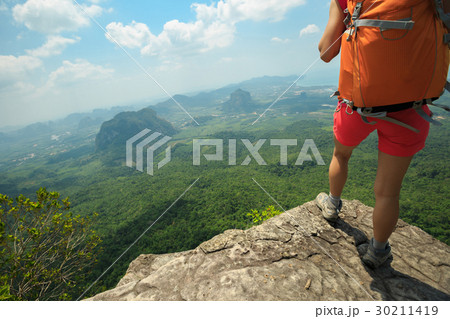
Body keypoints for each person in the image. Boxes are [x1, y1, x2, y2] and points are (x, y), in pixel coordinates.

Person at [315, 0, 448, 269]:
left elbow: (326, 52)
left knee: (341, 155)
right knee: (388, 193)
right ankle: (378, 251)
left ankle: (332, 205)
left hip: (357, 106)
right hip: (411, 110)